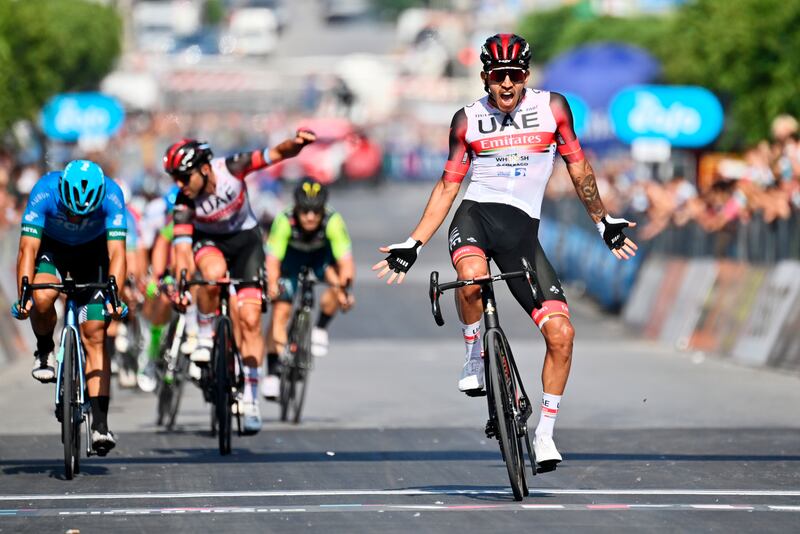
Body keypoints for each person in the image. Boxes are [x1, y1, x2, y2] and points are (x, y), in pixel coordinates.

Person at [372, 34, 638, 471]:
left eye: (515, 75)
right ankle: (474, 355)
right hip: (475, 218)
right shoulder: (467, 119)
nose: (507, 84)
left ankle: (545, 434)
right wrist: (413, 242)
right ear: (485, 77)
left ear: (526, 76)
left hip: (522, 236)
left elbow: (578, 167)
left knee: (562, 335)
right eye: (499, 77)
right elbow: (448, 186)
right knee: (472, 279)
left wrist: (602, 221)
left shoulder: (553, 109)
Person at [164, 131, 315, 434]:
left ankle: (251, 398)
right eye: (174, 179)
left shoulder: (231, 168)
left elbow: (273, 154)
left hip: (246, 243)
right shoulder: (183, 201)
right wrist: (181, 283)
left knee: (249, 319)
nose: (179, 185)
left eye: (183, 177)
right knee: (210, 273)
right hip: (209, 244)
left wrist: (296, 144)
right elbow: (181, 250)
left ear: (204, 169)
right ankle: (206, 335)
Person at [13, 159, 128, 455]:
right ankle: (45, 349)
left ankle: (100, 425)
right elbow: (28, 248)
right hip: (54, 250)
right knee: (41, 297)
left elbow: (117, 253)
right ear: (62, 192)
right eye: (71, 213)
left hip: (94, 256)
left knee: (95, 334)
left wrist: (116, 297)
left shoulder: (113, 195)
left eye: (84, 215)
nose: (76, 220)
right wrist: (24, 294)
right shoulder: (44, 191)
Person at [262, 177, 355, 399]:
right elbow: (273, 261)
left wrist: (345, 290)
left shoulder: (333, 220)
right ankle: (273, 373)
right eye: (305, 211)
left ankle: (320, 328)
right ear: (297, 209)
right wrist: (273, 286)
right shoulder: (284, 220)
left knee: (338, 285)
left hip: (320, 260)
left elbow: (346, 263)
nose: (311, 217)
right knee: (281, 311)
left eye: (316, 211)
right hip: (290, 262)